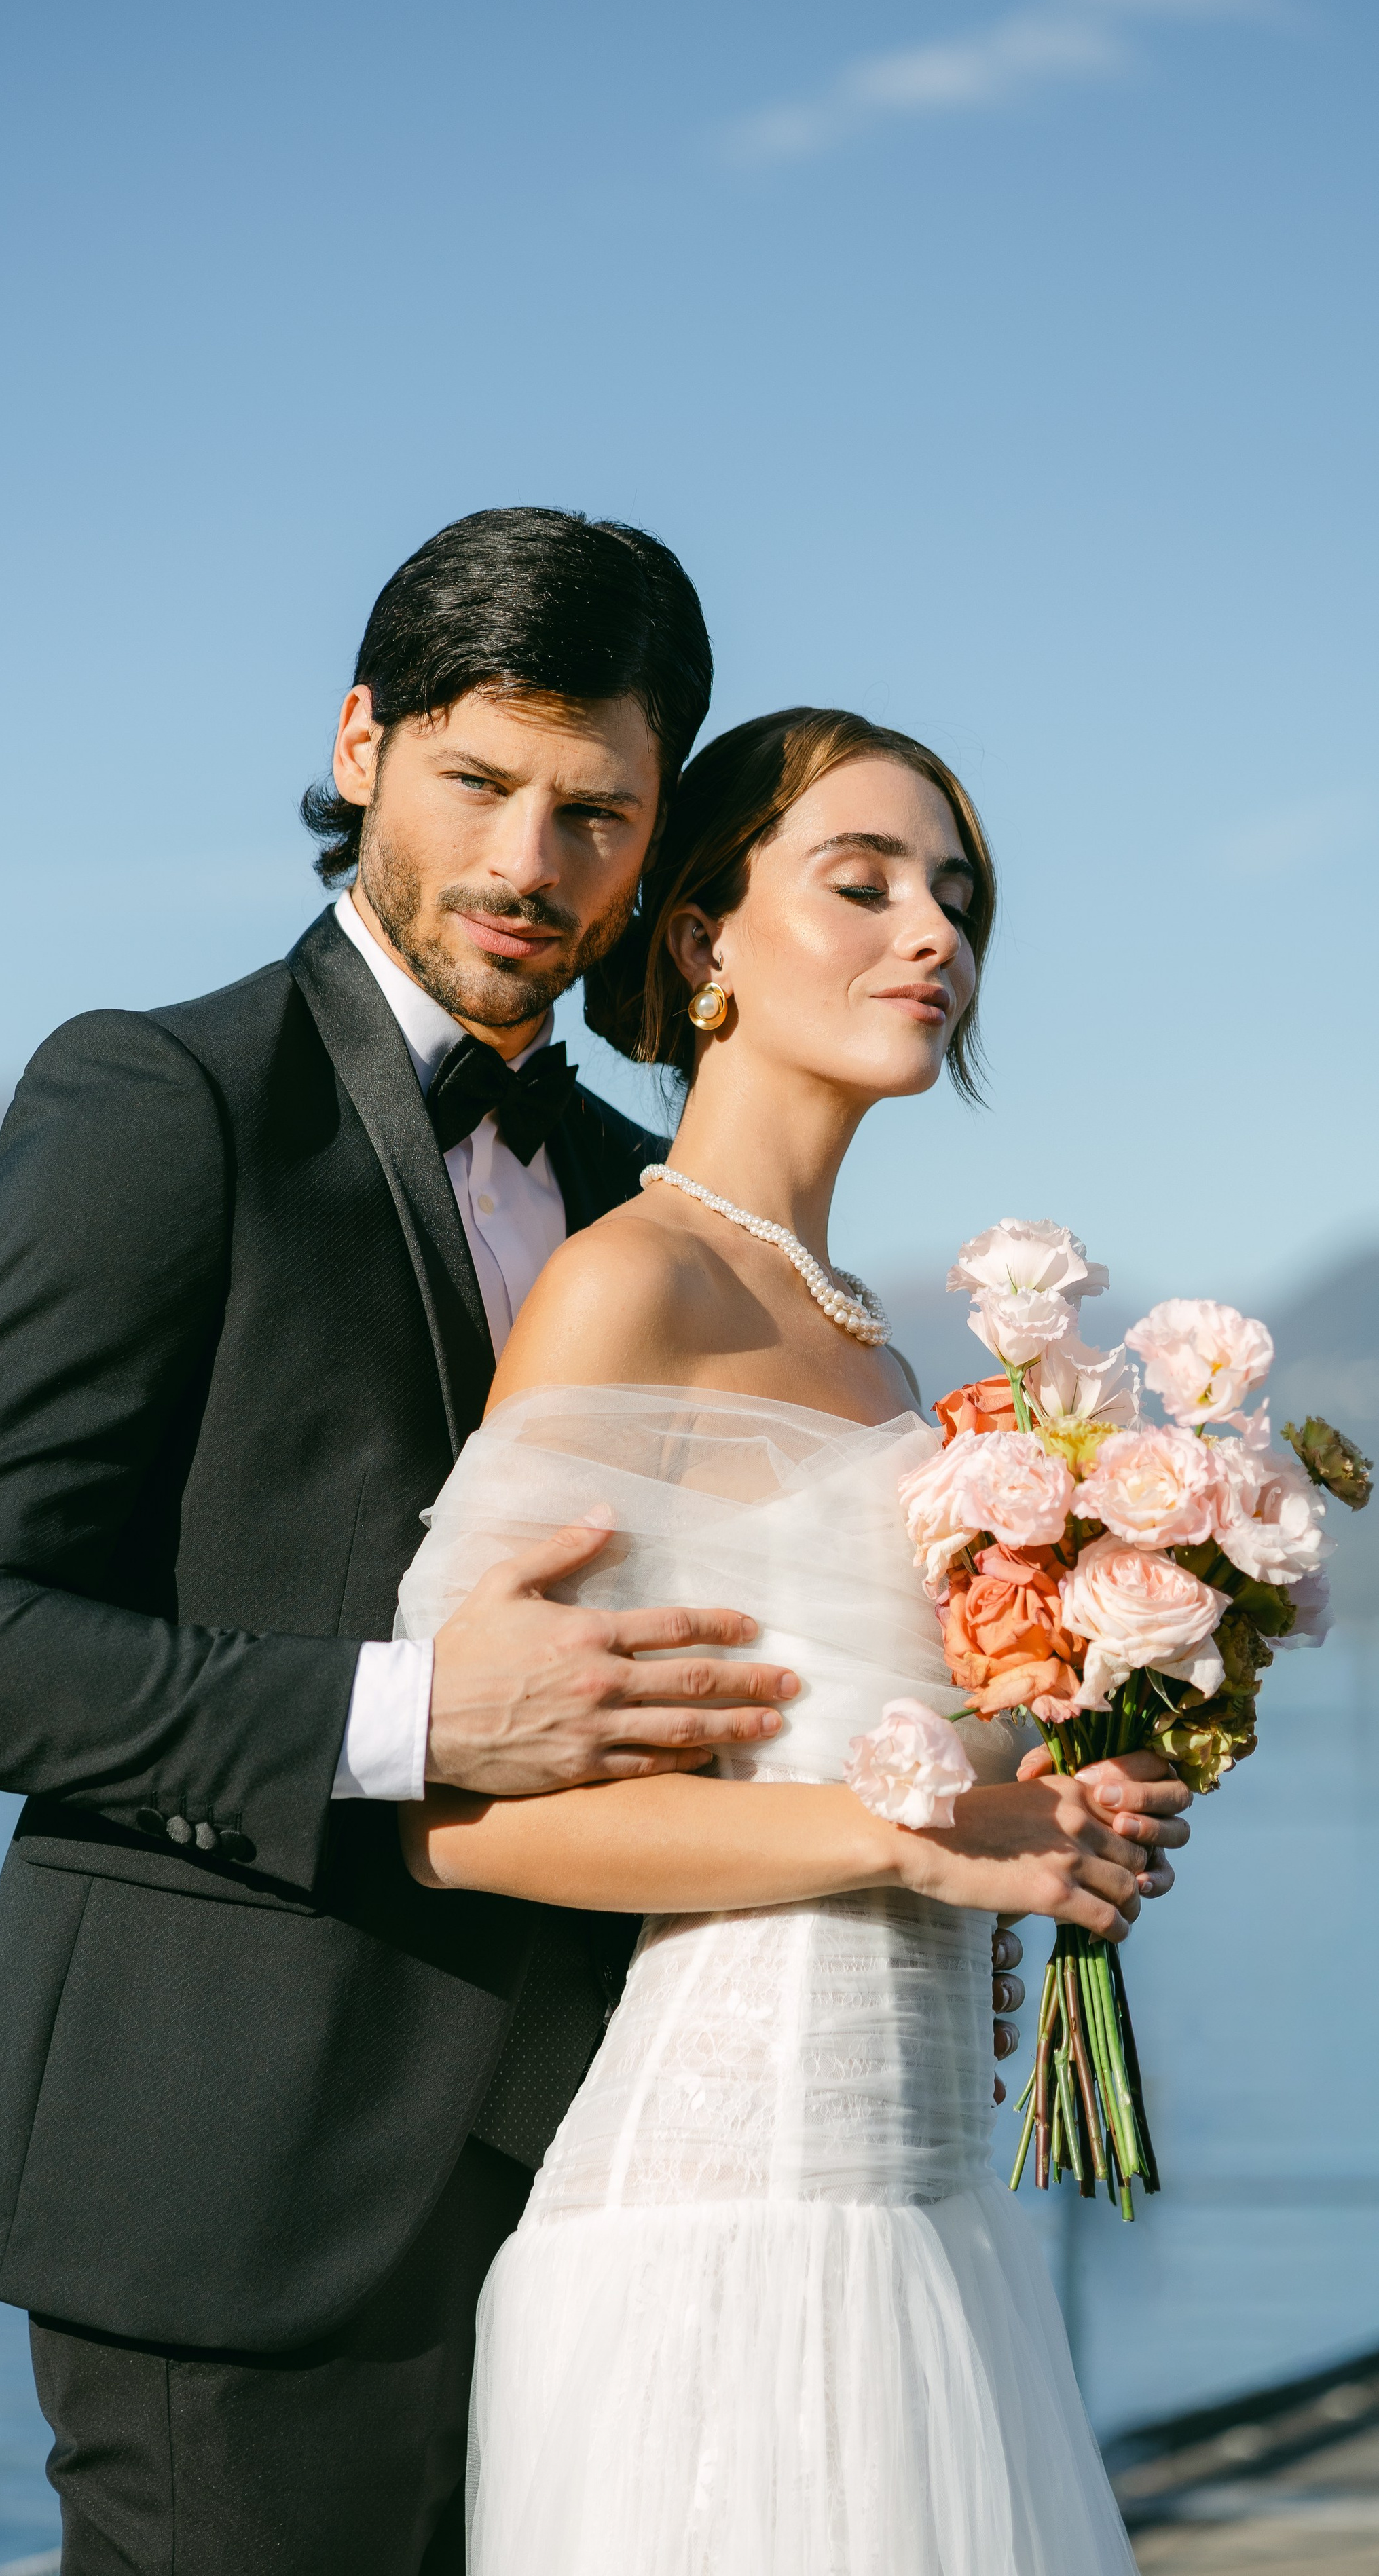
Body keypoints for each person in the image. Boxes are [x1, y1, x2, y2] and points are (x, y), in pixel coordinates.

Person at [0, 511, 1182, 2576]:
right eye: (483, 784)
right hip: (240, 2170)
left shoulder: (649, 1193)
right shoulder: (162, 1101)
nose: (532, 864)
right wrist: (413, 1712)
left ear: (663, 850)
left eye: (599, 813)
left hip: (603, 2154)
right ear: (364, 741)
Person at [399, 705, 1183, 2575]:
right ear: (702, 947)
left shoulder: (891, 1369)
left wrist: (1059, 1795)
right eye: (865, 884)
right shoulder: (631, 1284)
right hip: (724, 2223)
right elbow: (461, 1813)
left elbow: (865, 1752)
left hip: (929, 2206)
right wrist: (912, 1836)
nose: (936, 936)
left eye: (958, 897)